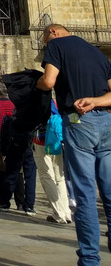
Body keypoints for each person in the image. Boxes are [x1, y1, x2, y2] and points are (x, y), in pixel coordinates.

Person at [36, 23, 111, 265]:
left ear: (53, 32)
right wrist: (96, 101)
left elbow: (48, 81)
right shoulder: (96, 51)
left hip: (80, 123)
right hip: (107, 120)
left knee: (85, 193)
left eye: (44, 41)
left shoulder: (57, 45)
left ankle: (90, 259)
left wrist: (35, 84)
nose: (46, 46)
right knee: (109, 193)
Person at [33, 100, 71, 224]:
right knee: (60, 177)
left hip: (41, 140)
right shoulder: (51, 100)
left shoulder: (32, 99)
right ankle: (66, 212)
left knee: (46, 177)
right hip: (56, 140)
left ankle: (58, 212)